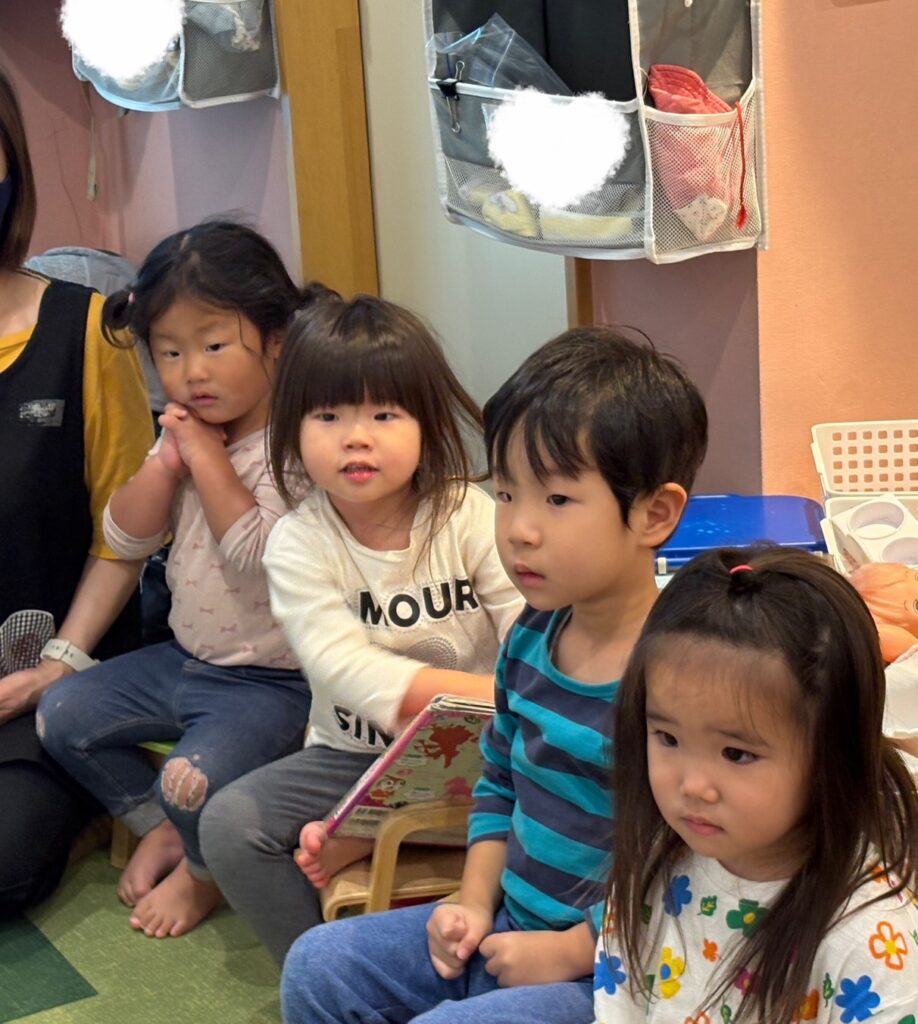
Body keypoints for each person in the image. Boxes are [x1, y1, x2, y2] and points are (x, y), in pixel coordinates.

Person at [279, 325, 709, 1024]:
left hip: (618, 971)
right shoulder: (532, 635)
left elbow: (691, 861)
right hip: (510, 921)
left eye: (557, 500)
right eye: (507, 494)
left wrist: (572, 950)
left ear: (653, 514)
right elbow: (500, 780)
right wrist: (472, 901)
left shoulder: (681, 676)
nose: (518, 530)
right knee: (319, 966)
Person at [198, 293, 525, 963]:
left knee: (572, 791)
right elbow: (343, 667)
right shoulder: (298, 542)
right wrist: (496, 695)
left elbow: (529, 625)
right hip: (352, 755)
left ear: (426, 423)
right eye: (328, 416)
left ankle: (377, 831)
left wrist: (517, 705)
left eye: (384, 414)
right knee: (230, 825)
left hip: (487, 745)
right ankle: (331, 969)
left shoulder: (467, 513)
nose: (356, 437)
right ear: (292, 428)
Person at [37, 221, 315, 939]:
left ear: (276, 338)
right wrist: (165, 463)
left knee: (191, 777)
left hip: (277, 683)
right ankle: (165, 825)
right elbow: (127, 536)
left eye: (214, 346)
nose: (191, 372)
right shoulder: (184, 432)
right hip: (185, 659)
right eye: (169, 351)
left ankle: (201, 871)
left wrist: (203, 453)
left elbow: (257, 554)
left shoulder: (299, 442)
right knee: (61, 715)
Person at [597, 547, 918, 1022]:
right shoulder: (659, 860)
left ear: (831, 751)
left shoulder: (870, 939)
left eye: (736, 754)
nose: (693, 786)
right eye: (668, 738)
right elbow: (618, 1003)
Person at [0, 67, 152, 916]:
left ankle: (87, 801)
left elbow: (122, 538)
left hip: (49, 681)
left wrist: (56, 666)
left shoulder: (90, 328)